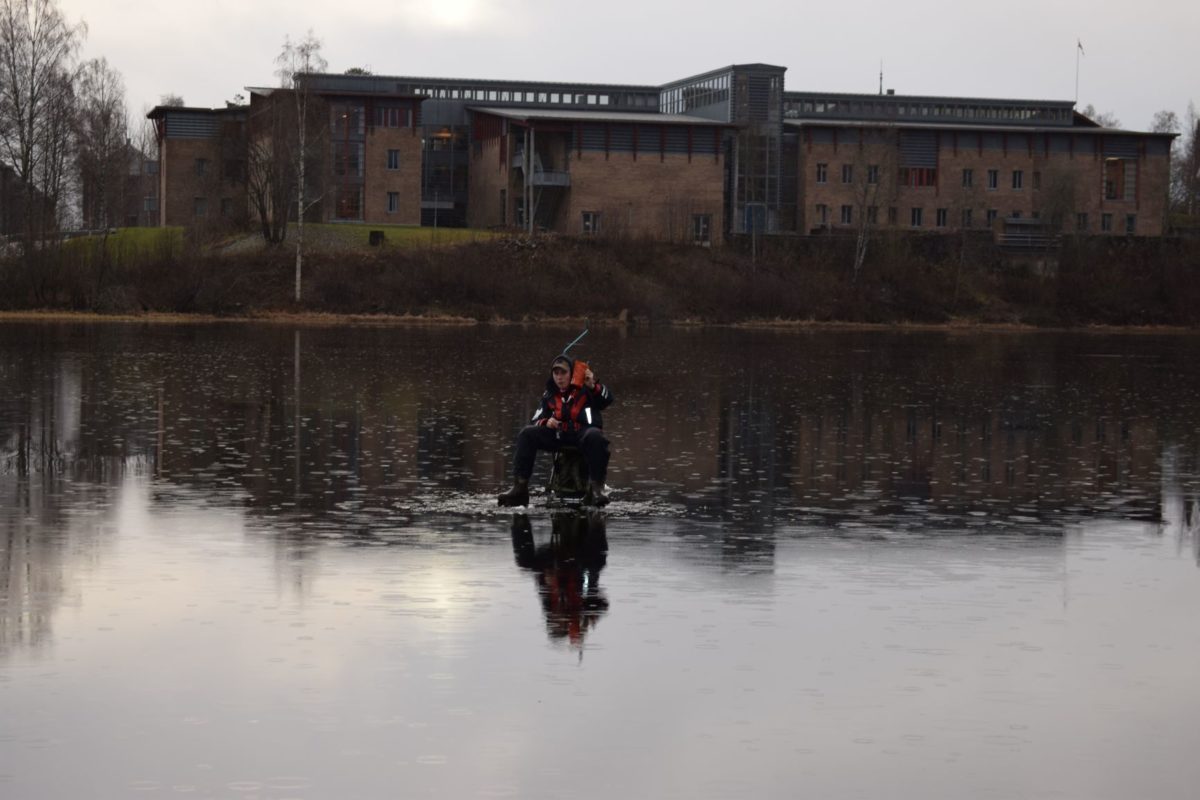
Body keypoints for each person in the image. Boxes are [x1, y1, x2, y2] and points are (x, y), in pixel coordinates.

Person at [497, 354, 614, 507]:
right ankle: (520, 489)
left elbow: (607, 400)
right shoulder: (549, 394)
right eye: (556, 373)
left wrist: (593, 386)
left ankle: (597, 490)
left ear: (571, 373)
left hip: (584, 434)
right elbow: (535, 420)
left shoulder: (587, 389)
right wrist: (547, 422)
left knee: (596, 436)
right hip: (559, 435)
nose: (559, 377)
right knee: (526, 434)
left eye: (563, 373)